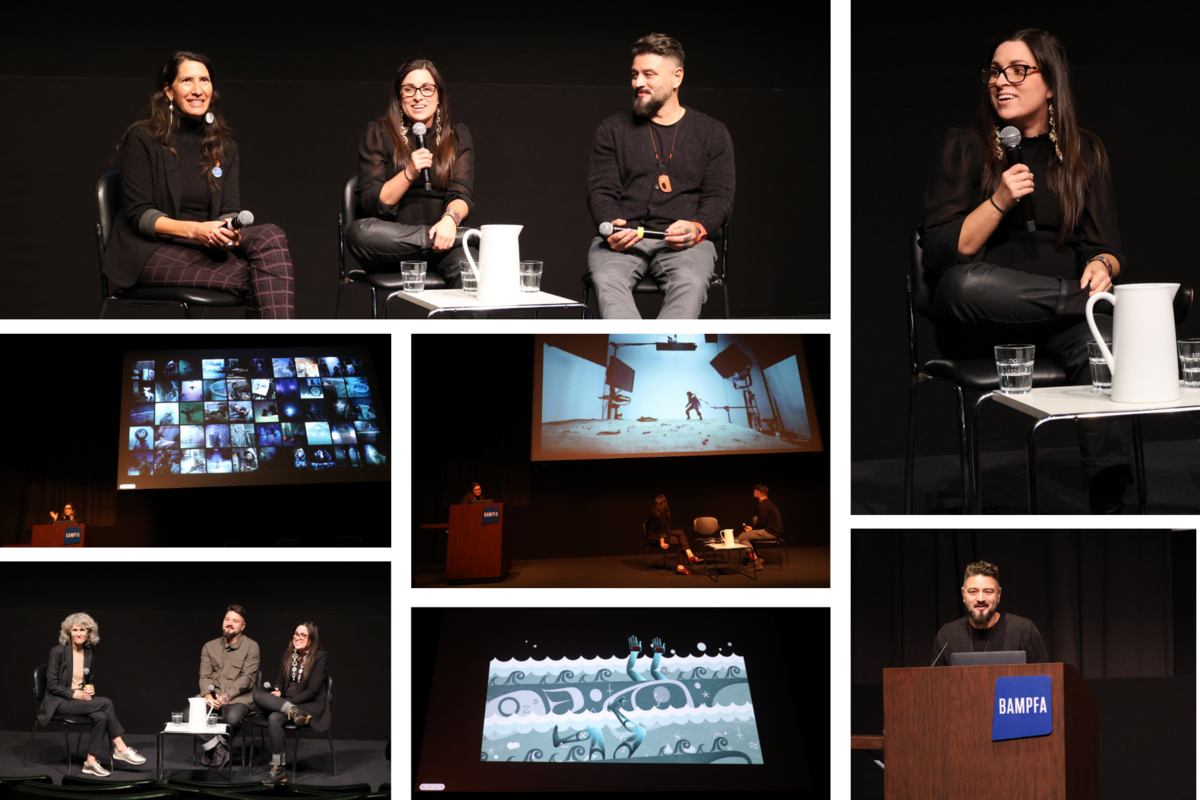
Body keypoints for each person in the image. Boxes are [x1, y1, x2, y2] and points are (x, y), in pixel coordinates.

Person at [917, 29, 1158, 513]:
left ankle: (1111, 495)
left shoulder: (1085, 154)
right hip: (981, 320)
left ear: (1051, 84)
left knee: (1101, 341)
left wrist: (1102, 266)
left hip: (1058, 323)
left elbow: (1107, 247)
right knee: (966, 283)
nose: (1001, 82)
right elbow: (945, 251)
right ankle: (1134, 308)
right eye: (994, 72)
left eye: (1017, 70)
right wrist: (999, 201)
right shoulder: (965, 147)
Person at [103, 51, 295, 318]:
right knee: (264, 279)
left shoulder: (225, 147)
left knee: (270, 235)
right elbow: (140, 216)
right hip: (149, 250)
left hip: (203, 248)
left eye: (204, 80)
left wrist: (229, 230)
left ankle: (267, 354)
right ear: (169, 91)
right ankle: (273, 354)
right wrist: (195, 231)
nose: (197, 90)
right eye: (187, 81)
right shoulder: (143, 137)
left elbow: (229, 209)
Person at [586, 33, 735, 319]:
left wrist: (698, 227)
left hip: (684, 243)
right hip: (625, 239)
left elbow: (720, 196)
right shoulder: (611, 130)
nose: (637, 83)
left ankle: (662, 349)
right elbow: (600, 190)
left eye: (648, 75)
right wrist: (610, 224)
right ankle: (633, 348)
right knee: (606, 280)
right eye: (634, 74)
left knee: (690, 283)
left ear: (676, 77)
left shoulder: (712, 132)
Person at [348, 59, 478, 287]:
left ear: (439, 97)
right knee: (359, 233)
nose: (418, 96)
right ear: (399, 98)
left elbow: (462, 194)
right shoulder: (378, 134)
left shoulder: (457, 138)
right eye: (409, 90)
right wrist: (408, 172)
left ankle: (455, 239)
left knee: (472, 270)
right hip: (391, 249)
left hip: (445, 246)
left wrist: (450, 219)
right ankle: (464, 238)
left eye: (427, 89)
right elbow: (372, 202)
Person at [39, 613, 146, 776]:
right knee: (106, 703)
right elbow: (52, 685)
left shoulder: (89, 653)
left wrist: (90, 688)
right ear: (68, 632)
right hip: (59, 701)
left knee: (102, 717)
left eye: (82, 630)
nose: (78, 634)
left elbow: (89, 680)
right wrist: (75, 694)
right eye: (74, 630)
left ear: (89, 632)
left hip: (78, 701)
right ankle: (120, 747)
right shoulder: (58, 651)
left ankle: (90, 762)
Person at [252, 621, 329, 785]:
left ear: (311, 639)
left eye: (303, 635)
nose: (298, 637)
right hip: (287, 704)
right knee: (257, 694)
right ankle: (291, 711)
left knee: (274, 718)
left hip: (309, 704)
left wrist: (287, 703)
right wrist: (278, 692)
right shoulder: (288, 654)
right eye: (296, 634)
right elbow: (279, 681)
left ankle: (278, 769)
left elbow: (312, 691)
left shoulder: (320, 657)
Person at [932, 560, 1049, 666]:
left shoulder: (1024, 630)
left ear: (998, 595)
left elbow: (1044, 679)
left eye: (988, 591)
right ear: (963, 595)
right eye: (973, 591)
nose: (981, 598)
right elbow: (934, 685)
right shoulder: (946, 636)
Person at [186, 605, 260, 769]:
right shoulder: (209, 646)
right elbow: (204, 675)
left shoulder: (251, 646)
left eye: (235, 621)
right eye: (227, 619)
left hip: (239, 697)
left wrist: (227, 696)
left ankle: (214, 748)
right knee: (188, 715)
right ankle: (216, 748)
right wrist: (207, 696)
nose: (230, 623)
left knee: (232, 719)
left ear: (242, 626)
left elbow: (247, 678)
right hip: (212, 695)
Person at [646, 494, 704, 575]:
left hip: (656, 534)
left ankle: (690, 555)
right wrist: (662, 543)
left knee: (680, 532)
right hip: (656, 538)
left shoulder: (655, 510)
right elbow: (661, 529)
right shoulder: (662, 512)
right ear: (664, 502)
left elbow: (661, 529)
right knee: (681, 542)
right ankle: (681, 566)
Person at [735, 484, 782, 571]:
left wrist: (752, 529)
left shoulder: (762, 505)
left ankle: (755, 562)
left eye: (754, 492)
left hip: (771, 533)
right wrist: (752, 529)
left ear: (758, 494)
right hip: (774, 531)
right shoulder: (769, 503)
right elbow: (763, 523)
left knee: (742, 537)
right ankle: (757, 558)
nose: (753, 493)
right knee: (747, 535)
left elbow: (761, 522)